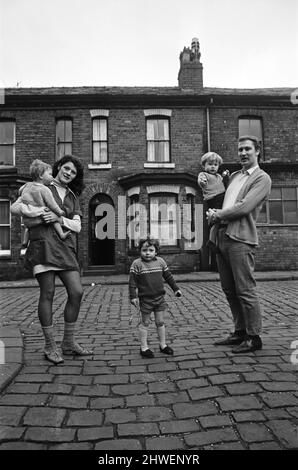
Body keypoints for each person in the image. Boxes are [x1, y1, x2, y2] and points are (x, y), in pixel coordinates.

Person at [11, 155, 92, 364]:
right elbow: (19, 208)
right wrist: (39, 212)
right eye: (66, 168)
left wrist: (58, 218)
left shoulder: (73, 196)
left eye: (73, 172)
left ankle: (68, 342)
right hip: (43, 246)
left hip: (66, 248)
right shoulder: (38, 186)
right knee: (47, 293)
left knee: (76, 291)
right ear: (58, 167)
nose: (69, 173)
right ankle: (49, 345)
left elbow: (78, 226)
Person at [207, 136, 272, 353]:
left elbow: (244, 207)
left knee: (245, 289)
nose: (243, 153)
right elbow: (221, 198)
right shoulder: (234, 176)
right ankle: (240, 331)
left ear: (257, 152)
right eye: (240, 150)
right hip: (221, 236)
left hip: (241, 238)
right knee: (229, 289)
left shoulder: (262, 179)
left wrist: (217, 215)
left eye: (247, 149)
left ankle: (254, 337)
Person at [129, 236, 182, 358]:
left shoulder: (160, 262)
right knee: (145, 322)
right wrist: (133, 296)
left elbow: (168, 277)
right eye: (144, 250)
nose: (148, 253)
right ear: (140, 251)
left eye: (151, 250)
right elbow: (132, 282)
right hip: (145, 299)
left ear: (156, 251)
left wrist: (176, 289)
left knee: (160, 321)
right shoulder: (137, 264)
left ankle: (163, 345)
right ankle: (144, 347)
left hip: (159, 298)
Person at [19, 159, 70, 242]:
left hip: (28, 219)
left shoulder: (27, 186)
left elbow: (20, 191)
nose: (52, 177)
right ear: (41, 176)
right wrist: (59, 212)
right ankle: (61, 234)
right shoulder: (44, 189)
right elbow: (52, 204)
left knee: (28, 228)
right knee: (52, 215)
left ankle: (25, 241)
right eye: (50, 174)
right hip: (40, 217)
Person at [198, 151, 229, 252]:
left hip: (220, 197)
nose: (213, 167)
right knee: (216, 218)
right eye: (210, 164)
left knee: (216, 221)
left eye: (215, 165)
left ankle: (211, 240)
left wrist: (225, 176)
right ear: (204, 165)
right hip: (213, 198)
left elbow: (225, 183)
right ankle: (211, 239)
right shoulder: (203, 174)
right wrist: (202, 182)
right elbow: (201, 181)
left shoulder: (218, 176)